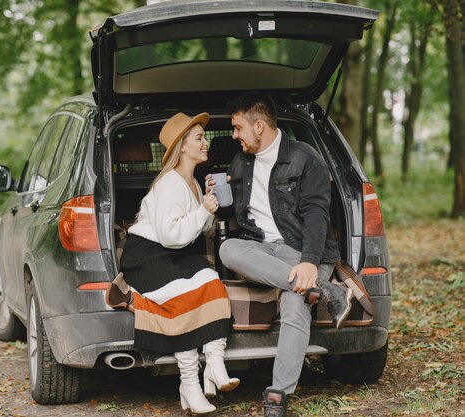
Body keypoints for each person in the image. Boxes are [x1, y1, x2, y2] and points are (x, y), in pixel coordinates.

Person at [215, 92, 353, 417]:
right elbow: (231, 213)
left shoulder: (306, 159)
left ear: (259, 126)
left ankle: (277, 398)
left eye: (237, 128)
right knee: (227, 248)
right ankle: (327, 290)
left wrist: (308, 261)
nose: (234, 136)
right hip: (262, 249)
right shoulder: (240, 162)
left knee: (294, 303)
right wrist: (214, 198)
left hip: (303, 249)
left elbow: (318, 215)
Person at [106, 112, 239, 414]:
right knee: (184, 300)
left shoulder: (191, 181)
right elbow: (171, 235)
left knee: (213, 284)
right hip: (147, 256)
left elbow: (198, 230)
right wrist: (203, 209)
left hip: (175, 254)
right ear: (182, 146)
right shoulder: (169, 183)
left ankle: (215, 363)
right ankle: (189, 384)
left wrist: (207, 203)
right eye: (199, 138)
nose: (206, 143)